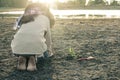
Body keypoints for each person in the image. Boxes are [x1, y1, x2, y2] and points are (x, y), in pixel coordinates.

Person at [11, 3, 55, 71]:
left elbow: (17, 30)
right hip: (36, 47)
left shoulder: (23, 17)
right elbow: (48, 38)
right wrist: (49, 51)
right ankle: (32, 59)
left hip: (17, 48)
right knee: (40, 49)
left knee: (25, 46)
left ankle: (22, 58)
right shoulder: (45, 19)